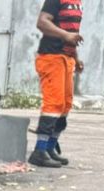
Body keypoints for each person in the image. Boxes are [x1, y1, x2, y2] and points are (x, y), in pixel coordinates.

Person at [31, 0, 83, 168]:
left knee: (65, 105)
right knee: (53, 104)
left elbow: (71, 33)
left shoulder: (77, 3)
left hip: (66, 58)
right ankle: (39, 151)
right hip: (51, 57)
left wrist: (75, 58)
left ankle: (50, 148)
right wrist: (65, 36)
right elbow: (42, 22)